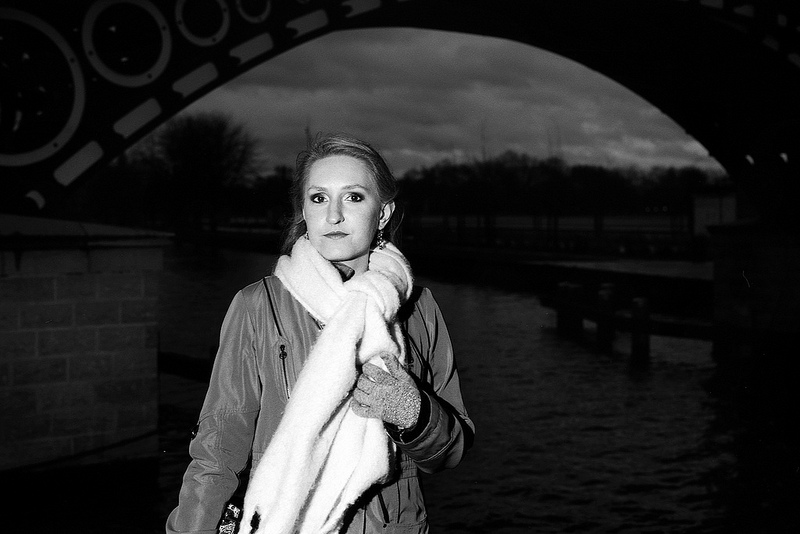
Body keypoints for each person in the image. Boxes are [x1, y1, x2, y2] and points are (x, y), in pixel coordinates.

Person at [166, 133, 474, 534]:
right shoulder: (259, 305)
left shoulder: (419, 308)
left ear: (382, 213)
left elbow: (451, 452)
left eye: (354, 197)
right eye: (318, 198)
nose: (334, 216)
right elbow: (217, 450)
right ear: (304, 211)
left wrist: (414, 414)